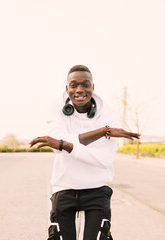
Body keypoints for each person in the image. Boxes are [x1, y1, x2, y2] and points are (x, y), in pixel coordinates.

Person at [30, 65, 140, 240]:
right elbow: (55, 146)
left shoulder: (108, 114)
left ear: (93, 87)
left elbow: (104, 159)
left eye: (85, 84)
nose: (79, 90)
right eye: (73, 85)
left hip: (97, 189)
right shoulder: (56, 107)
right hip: (64, 187)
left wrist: (64, 144)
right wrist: (103, 132)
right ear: (67, 89)